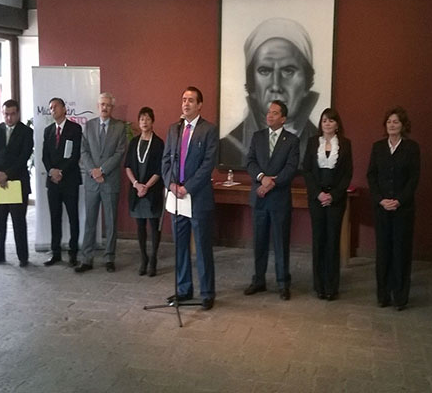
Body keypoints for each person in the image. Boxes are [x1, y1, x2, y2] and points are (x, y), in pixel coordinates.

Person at [220, 17, 319, 167]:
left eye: (288, 70)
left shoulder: (320, 145)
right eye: (265, 71)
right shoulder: (229, 147)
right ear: (252, 83)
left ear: (306, 81)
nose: (276, 85)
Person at [161, 86, 218, 310]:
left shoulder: (209, 130)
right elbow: (166, 161)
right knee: (180, 247)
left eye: (191, 100)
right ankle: (184, 290)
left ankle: (207, 293)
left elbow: (208, 165)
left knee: (202, 247)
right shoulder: (174, 129)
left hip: (197, 197)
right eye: (184, 99)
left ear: (199, 105)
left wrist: (188, 188)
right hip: (176, 195)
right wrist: (171, 184)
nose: (186, 103)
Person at [244, 100, 300, 300]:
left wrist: (271, 183)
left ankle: (283, 283)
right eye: (269, 112)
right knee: (259, 242)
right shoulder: (257, 137)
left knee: (280, 243)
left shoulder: (292, 140)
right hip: (259, 197)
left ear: (283, 118)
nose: (270, 115)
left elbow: (291, 168)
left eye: (275, 113)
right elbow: (250, 162)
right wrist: (262, 178)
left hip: (279, 199)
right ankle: (258, 280)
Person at [367, 106, 420, 311]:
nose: (392, 125)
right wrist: (380, 199)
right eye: (389, 122)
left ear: (403, 125)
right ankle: (383, 296)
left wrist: (398, 200)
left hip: (403, 210)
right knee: (383, 252)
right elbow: (372, 176)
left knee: (401, 252)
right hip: (382, 209)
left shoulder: (412, 148)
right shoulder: (378, 147)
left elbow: (413, 179)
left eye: (396, 122)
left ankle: (400, 297)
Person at [303, 108, 353, 301]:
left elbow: (347, 173)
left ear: (337, 124)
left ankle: (332, 287)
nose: (327, 123)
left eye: (331, 120)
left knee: (332, 242)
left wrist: (333, 195)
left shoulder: (346, 145)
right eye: (324, 120)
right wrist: (318, 194)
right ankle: (319, 286)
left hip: (336, 200)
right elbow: (307, 170)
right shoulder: (312, 142)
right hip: (316, 199)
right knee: (319, 241)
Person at [75, 92, 127, 273]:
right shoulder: (89, 126)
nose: (105, 107)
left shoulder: (119, 127)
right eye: (102, 104)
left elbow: (120, 153)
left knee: (111, 222)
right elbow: (83, 151)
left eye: (108, 105)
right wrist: (93, 171)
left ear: (112, 108)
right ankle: (86, 259)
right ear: (98, 106)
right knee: (90, 221)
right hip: (92, 181)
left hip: (110, 181)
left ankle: (109, 258)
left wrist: (102, 170)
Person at [0, 99, 34, 267]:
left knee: (19, 222)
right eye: (6, 114)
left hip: (16, 183)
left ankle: (23, 257)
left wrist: (7, 174)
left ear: (18, 114)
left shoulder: (26, 132)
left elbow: (24, 157)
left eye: (12, 114)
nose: (9, 118)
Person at [42, 97, 82, 266]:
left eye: (56, 106)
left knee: (73, 217)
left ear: (64, 109)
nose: (53, 110)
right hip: (53, 182)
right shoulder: (48, 130)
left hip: (69, 180)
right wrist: (52, 171)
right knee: (55, 217)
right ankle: (56, 253)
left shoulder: (75, 128)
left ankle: (73, 253)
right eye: (51, 108)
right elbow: (45, 156)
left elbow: (75, 154)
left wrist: (61, 172)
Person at [124, 107, 164, 276]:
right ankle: (144, 258)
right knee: (140, 225)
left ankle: (153, 258)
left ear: (152, 121)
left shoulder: (159, 143)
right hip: (136, 190)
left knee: (154, 225)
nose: (144, 122)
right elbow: (127, 166)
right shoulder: (134, 142)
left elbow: (160, 169)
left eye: (147, 119)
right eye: (141, 119)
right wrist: (136, 185)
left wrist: (146, 186)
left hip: (152, 190)